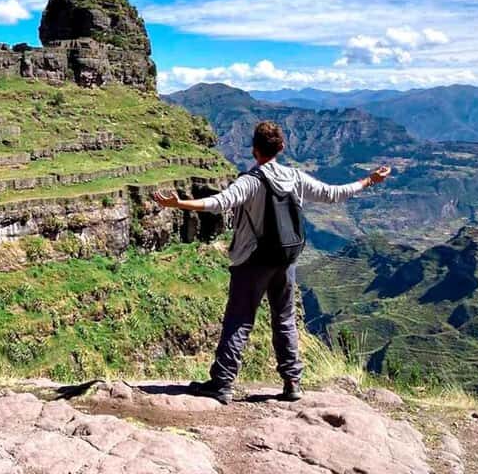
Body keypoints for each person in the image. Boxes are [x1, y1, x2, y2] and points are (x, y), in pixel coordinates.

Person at [152, 120, 391, 404]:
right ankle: (292, 382)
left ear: (254, 149)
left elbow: (220, 202)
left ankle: (222, 383)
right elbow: (332, 194)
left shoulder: (250, 181)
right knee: (285, 318)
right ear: (281, 148)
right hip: (285, 259)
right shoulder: (295, 177)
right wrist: (369, 180)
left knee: (239, 320)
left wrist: (179, 204)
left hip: (252, 261)